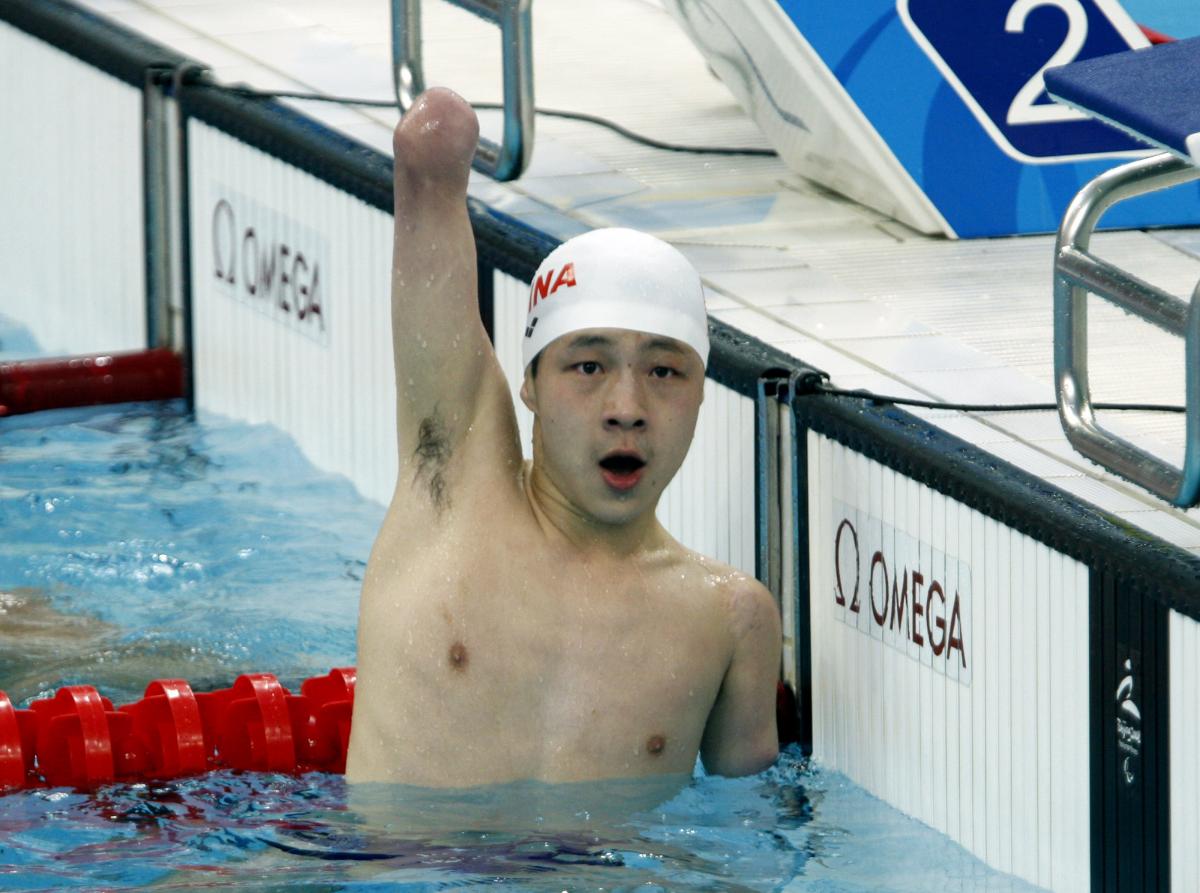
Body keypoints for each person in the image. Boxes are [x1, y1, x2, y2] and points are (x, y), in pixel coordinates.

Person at [345, 87, 781, 787]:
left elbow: (752, 843)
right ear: (532, 383)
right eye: (588, 365)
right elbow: (425, 159)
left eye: (665, 370)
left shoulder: (730, 621)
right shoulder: (454, 486)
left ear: (703, 393)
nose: (627, 406)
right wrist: (441, 139)